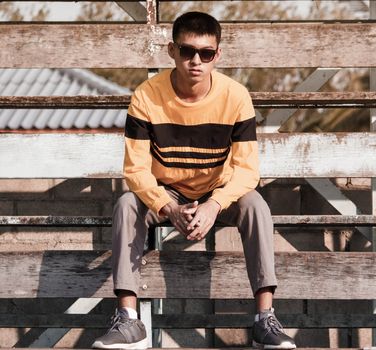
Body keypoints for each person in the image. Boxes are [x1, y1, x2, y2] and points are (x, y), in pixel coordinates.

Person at [92, 11, 296, 350]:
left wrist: (215, 204)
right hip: (166, 191)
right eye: (187, 51)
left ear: (218, 55)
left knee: (256, 205)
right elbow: (136, 170)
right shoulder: (146, 96)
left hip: (218, 192)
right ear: (172, 51)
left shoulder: (235, 96)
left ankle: (265, 319)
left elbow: (247, 170)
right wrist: (168, 206)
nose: (196, 61)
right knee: (127, 204)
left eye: (206, 53)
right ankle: (128, 320)